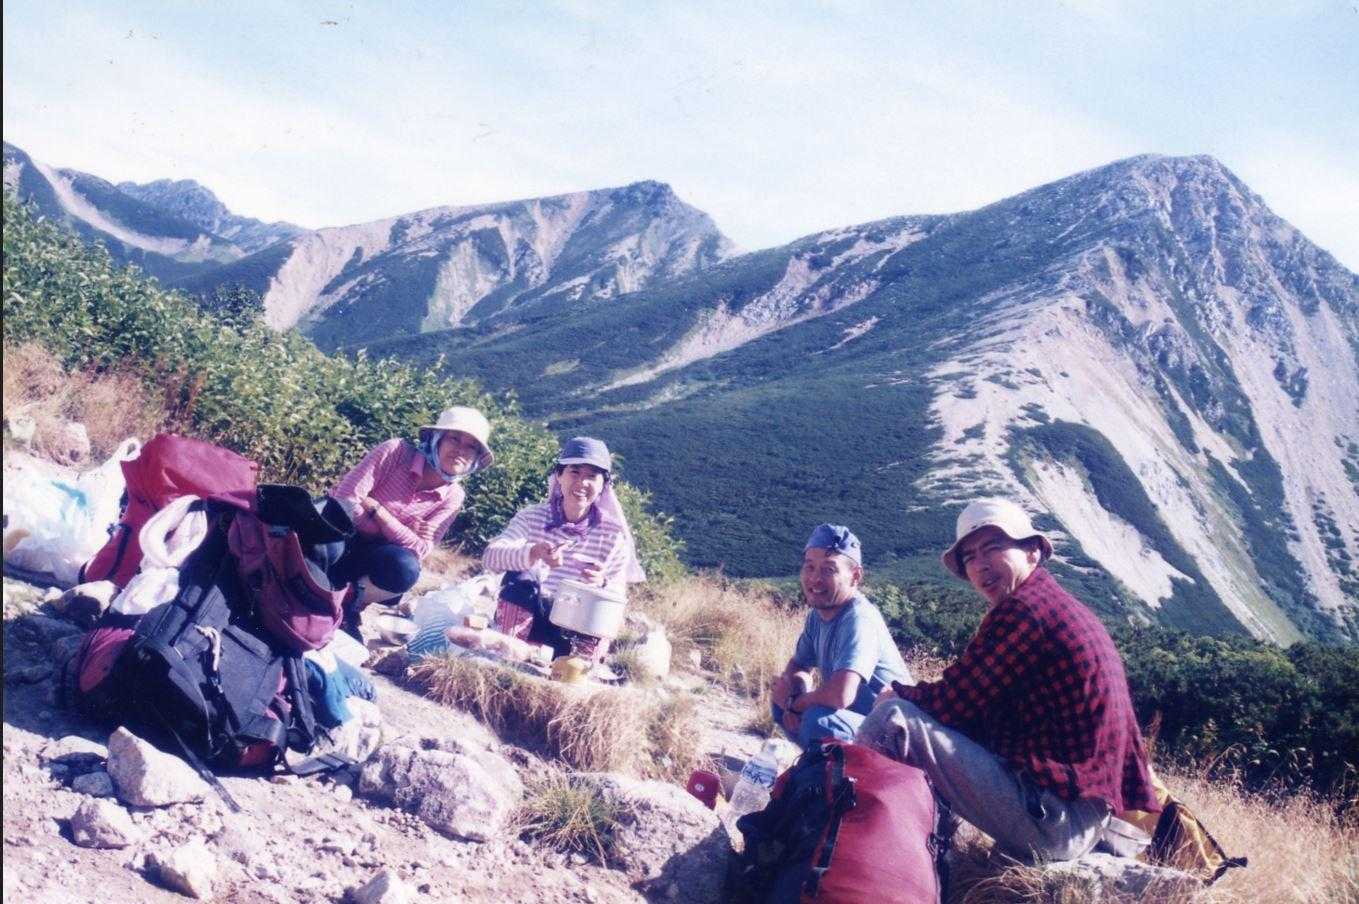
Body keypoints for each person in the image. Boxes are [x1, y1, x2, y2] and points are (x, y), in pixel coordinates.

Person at [857, 498, 1160, 862]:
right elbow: (972, 706)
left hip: (1056, 820)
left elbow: (953, 701)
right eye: (970, 557)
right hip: (1079, 812)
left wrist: (896, 694)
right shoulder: (1051, 603)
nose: (981, 565)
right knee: (933, 721)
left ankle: (848, 842)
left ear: (1033, 551)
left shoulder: (1025, 610)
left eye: (993, 548)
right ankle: (913, 843)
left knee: (892, 720)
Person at [330, 406, 494, 638]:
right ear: (436, 439)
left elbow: (420, 549)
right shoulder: (395, 452)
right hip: (338, 533)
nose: (460, 450)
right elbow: (345, 500)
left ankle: (349, 606)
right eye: (454, 439)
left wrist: (378, 511)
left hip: (375, 551)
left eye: (471, 446)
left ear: (476, 458)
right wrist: (402, 531)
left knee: (405, 568)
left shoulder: (453, 496)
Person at [481, 436, 645, 660]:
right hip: (529, 616)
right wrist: (533, 553)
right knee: (520, 577)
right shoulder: (532, 517)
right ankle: (511, 652)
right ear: (559, 475)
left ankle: (577, 663)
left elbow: (616, 596)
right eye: (574, 472)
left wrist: (602, 583)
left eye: (592, 476)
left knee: (601, 609)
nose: (582, 483)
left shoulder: (613, 536)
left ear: (603, 485)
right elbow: (490, 558)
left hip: (575, 628)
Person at [769, 524, 912, 749]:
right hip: (857, 720)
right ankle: (820, 762)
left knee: (817, 722)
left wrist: (797, 704)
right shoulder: (818, 615)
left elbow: (840, 695)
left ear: (855, 576)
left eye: (829, 570)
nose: (815, 579)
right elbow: (798, 665)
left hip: (895, 734)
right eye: (810, 567)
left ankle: (830, 766)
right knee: (780, 703)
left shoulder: (859, 619)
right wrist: (794, 694)